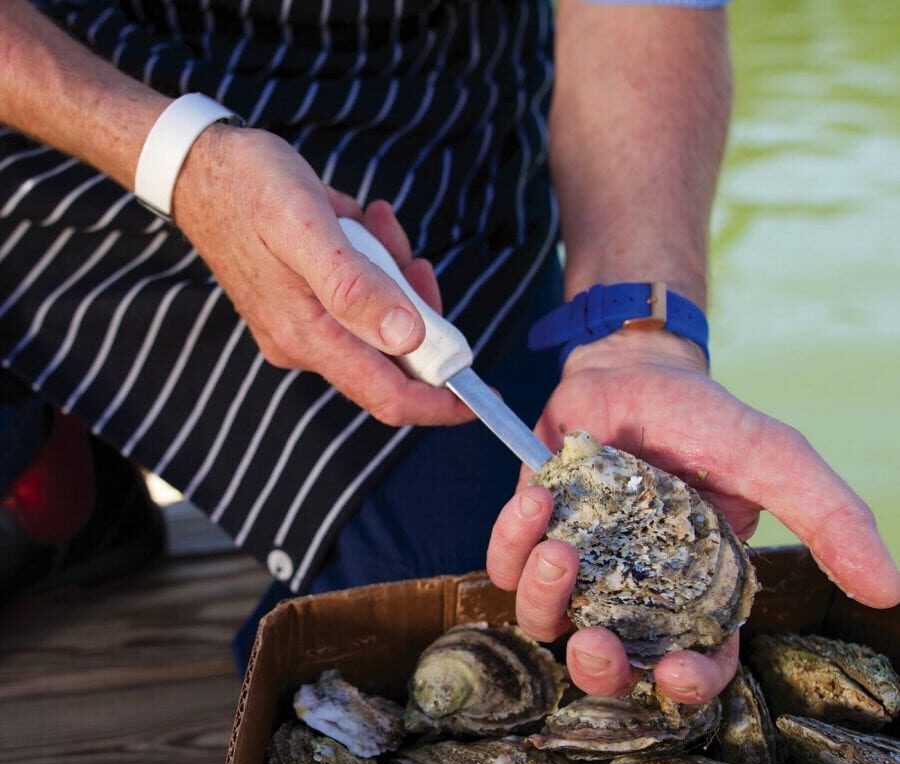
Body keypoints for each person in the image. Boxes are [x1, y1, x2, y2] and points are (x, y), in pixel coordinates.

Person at [1, 0, 897, 701]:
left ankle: (69, 489)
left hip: (424, 113)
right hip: (65, 96)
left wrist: (638, 337)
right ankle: (37, 453)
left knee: (468, 618)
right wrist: (179, 157)